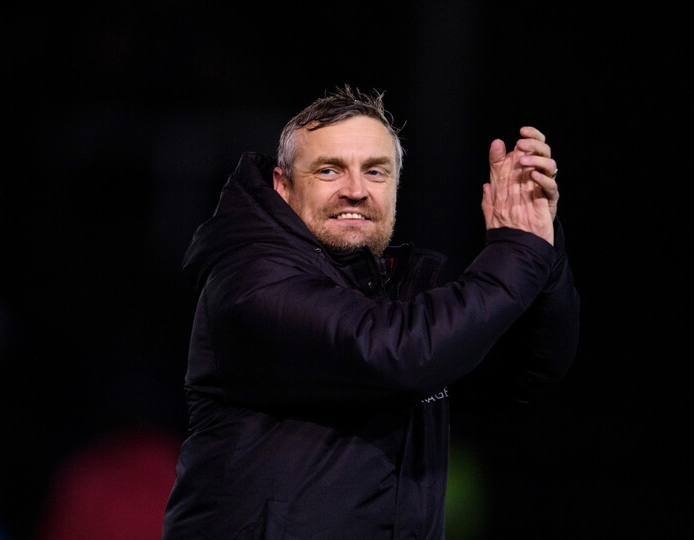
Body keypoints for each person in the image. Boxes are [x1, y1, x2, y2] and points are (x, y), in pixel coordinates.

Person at [161, 85, 580, 539]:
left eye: (376, 172)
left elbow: (522, 373)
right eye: (329, 170)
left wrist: (541, 244)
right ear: (283, 185)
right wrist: (518, 253)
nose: (356, 191)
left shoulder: (397, 294)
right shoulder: (252, 280)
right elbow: (396, 353)